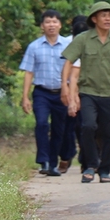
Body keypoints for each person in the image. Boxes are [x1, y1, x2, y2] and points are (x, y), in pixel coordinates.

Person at [62, 1, 110, 183]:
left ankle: (105, 171)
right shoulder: (83, 39)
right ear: (94, 19)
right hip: (88, 92)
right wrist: (65, 85)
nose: (107, 18)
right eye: (103, 15)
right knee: (87, 126)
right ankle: (90, 165)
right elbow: (69, 63)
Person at [19, 10, 74, 177]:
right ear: (42, 26)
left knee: (59, 129)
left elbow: (74, 71)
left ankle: (53, 164)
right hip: (42, 93)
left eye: (55, 22)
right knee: (42, 124)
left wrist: (72, 94)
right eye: (48, 22)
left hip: (62, 93)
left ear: (60, 25)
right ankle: (43, 160)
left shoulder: (68, 46)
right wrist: (25, 97)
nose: (51, 25)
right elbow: (29, 72)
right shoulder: (34, 46)